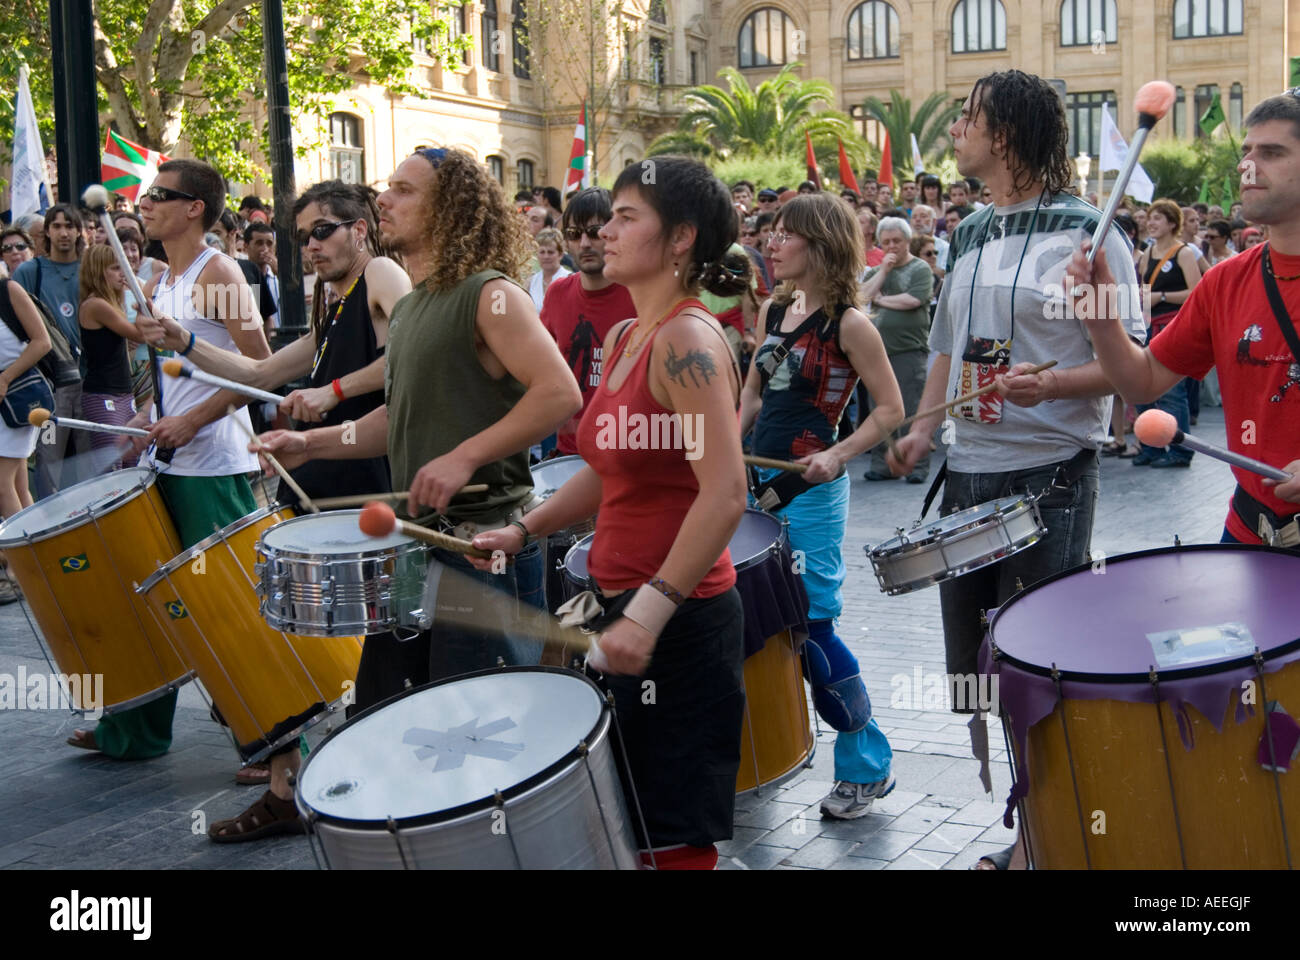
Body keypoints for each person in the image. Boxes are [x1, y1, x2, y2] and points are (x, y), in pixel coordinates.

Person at [887, 70, 1144, 871]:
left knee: (1038, 664)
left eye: (967, 119)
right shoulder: (964, 232)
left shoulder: (1090, 235)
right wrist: (921, 428)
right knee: (976, 671)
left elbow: (1135, 372)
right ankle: (1028, 829)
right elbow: (945, 348)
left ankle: (1062, 840)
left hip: (1050, 476)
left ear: (1004, 135)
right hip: (970, 473)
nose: (954, 132)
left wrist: (1056, 384)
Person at [474, 154, 749, 869]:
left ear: (681, 238)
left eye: (628, 218)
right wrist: (523, 529)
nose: (606, 231)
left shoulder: (687, 342)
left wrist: (646, 615)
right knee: (604, 814)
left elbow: (724, 494)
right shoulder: (630, 336)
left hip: (676, 620)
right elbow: (604, 467)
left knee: (666, 837)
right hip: (608, 600)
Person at [254, 147, 579, 708]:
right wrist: (313, 444)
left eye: (404, 190)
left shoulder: (491, 295)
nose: (383, 199)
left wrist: (464, 456)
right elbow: (399, 414)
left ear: (449, 207)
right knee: (393, 714)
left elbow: (559, 393)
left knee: (477, 736)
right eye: (388, 186)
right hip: (413, 548)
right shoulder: (409, 308)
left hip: (482, 547)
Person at [138, 179, 411, 839]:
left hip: (372, 481)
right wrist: (183, 342)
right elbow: (260, 373)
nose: (312, 246)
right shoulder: (327, 297)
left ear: (361, 227)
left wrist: (334, 391)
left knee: (382, 645)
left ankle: (378, 799)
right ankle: (302, 788)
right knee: (315, 637)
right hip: (320, 483)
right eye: (303, 237)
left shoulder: (383, 274)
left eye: (324, 231)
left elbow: (409, 357)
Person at [65, 160, 274, 766]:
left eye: (160, 195)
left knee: (228, 606)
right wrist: (146, 419)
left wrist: (192, 421)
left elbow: (260, 373)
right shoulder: (159, 280)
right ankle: (135, 732)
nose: (145, 203)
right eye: (146, 193)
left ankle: (274, 739)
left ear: (195, 209)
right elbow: (174, 377)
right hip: (167, 462)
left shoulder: (219, 271)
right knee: (149, 599)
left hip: (214, 464)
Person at [1077, 89, 1300, 547]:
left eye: (1272, 153)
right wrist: (1099, 310)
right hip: (1250, 533)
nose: (1248, 166)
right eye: (1246, 153)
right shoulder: (1225, 281)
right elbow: (1144, 381)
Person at [742, 193, 905, 818]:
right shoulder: (773, 309)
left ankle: (867, 761)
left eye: (787, 236)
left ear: (822, 244)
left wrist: (840, 454)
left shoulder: (850, 324)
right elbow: (752, 393)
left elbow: (889, 409)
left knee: (811, 629)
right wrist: (726, 448)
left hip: (811, 492)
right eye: (771, 233)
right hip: (760, 486)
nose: (772, 244)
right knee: (762, 621)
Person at [539, 186, 637, 458]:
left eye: (594, 232)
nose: (584, 243)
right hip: (568, 454)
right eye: (573, 234)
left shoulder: (642, 294)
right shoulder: (557, 293)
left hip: (627, 455)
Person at [12, 204, 89, 495]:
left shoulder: (89, 267)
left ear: (79, 231)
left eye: (70, 226)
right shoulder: (31, 271)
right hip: (50, 383)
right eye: (56, 226)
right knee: (48, 460)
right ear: (46, 231)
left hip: (89, 379)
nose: (64, 232)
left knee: (88, 458)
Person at [860, 216, 934, 483]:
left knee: (912, 407)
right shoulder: (875, 271)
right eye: (886, 241)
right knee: (878, 409)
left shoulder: (920, 269)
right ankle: (883, 463)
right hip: (877, 353)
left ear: (907, 241)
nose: (892, 246)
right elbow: (863, 297)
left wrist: (883, 300)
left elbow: (913, 300)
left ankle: (916, 465)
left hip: (908, 349)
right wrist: (882, 272)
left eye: (897, 241)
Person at [1132, 199, 1201, 467]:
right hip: (1149, 326)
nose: (1150, 223)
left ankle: (1180, 449)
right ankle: (1151, 446)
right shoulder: (1148, 253)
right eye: (1150, 218)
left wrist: (1160, 295)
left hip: (1172, 326)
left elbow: (1196, 292)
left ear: (1172, 223)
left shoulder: (1183, 252)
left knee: (1172, 391)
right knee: (1141, 387)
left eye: (1157, 218)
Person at [0, 276, 50, 602]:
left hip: (15, 398)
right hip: (6, 404)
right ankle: (37, 563)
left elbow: (41, 341)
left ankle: (20, 571)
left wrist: (5, 377)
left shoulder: (8, 290)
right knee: (18, 486)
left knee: (3, 487)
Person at [77, 244, 148, 469]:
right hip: (102, 394)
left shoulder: (111, 303)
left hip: (123, 393)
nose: (122, 274)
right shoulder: (96, 304)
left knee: (132, 461)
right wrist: (138, 300)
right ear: (100, 271)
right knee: (113, 465)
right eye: (116, 268)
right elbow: (141, 334)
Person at [240, 221, 279, 335]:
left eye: (269, 243)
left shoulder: (278, 279)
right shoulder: (240, 278)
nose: (265, 248)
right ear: (246, 246)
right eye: (259, 243)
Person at [527, 227, 571, 312]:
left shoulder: (569, 278)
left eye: (550, 252)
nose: (546, 256)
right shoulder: (531, 281)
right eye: (542, 252)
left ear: (560, 254)